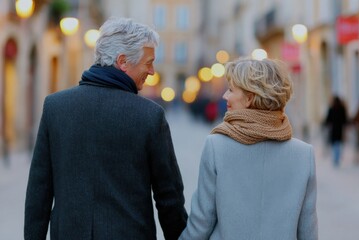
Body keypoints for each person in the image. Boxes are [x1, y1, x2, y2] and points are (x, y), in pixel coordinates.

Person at [24, 17, 187, 240]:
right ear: (123, 62)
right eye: (148, 62)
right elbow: (169, 197)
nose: (152, 71)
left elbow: (38, 193)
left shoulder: (55, 107)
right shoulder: (150, 115)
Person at [179, 58, 318, 240]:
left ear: (249, 98)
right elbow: (308, 230)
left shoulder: (216, 146)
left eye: (230, 90)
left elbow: (201, 221)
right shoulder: (304, 154)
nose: (224, 96)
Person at [324, 95, 348, 167]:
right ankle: (337, 158)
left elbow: (327, 119)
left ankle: (335, 158)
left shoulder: (331, 108)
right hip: (339, 129)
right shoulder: (342, 109)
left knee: (334, 144)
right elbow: (345, 120)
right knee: (338, 144)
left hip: (333, 130)